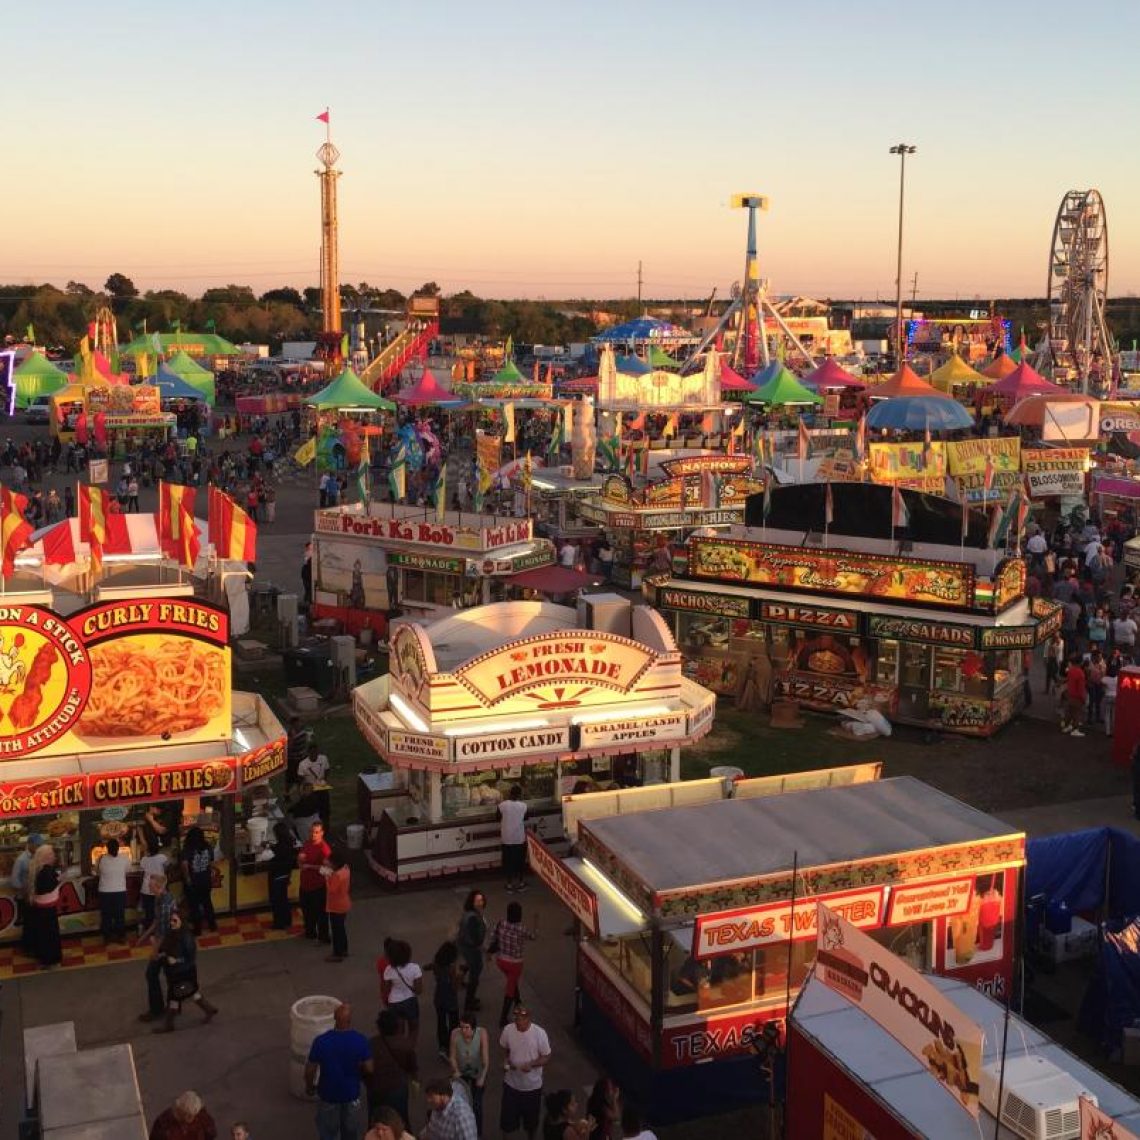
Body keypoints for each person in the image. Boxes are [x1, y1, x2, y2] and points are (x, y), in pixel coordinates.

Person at [305, 1003, 373, 1140]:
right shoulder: (360, 1040)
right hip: (351, 1094)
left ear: (334, 1019)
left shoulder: (321, 1041)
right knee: (350, 1132)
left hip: (328, 1094)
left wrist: (310, 1086)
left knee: (328, 1133)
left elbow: (310, 1069)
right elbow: (370, 1069)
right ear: (350, 1020)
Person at [155, 911, 219, 1033]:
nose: (172, 923)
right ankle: (209, 1009)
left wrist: (177, 960)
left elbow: (191, 957)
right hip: (176, 972)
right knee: (191, 992)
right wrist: (162, 954)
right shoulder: (172, 934)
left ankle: (169, 1025)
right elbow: (166, 948)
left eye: (175, 920)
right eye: (171, 920)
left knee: (174, 997)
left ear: (181, 922)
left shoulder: (186, 937)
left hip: (183, 972)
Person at [499, 1006, 551, 1140]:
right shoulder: (508, 1030)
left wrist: (532, 1064)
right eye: (516, 1018)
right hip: (511, 1085)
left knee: (531, 1123)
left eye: (521, 1018)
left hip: (532, 1087)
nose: (518, 1021)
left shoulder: (539, 1033)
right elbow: (505, 1049)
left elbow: (546, 1056)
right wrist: (506, 1061)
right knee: (507, 1122)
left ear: (528, 1019)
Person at [366, 1010, 418, 1128]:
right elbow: (412, 1069)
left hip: (376, 1089)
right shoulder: (405, 1044)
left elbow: (365, 1069)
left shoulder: (371, 1044)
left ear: (379, 1027)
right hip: (398, 1089)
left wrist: (369, 1084)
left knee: (376, 1122)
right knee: (400, 1120)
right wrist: (414, 1083)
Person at [138, 872, 178, 1022]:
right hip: (167, 943)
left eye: (151, 885)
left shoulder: (165, 903)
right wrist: (145, 936)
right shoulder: (160, 898)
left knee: (151, 974)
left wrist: (154, 951)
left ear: (159, 887)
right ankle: (174, 1006)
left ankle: (157, 1010)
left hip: (167, 944)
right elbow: (157, 921)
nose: (149, 886)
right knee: (170, 974)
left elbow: (164, 931)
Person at [492, 901, 537, 1027]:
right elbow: (533, 936)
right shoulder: (521, 929)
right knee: (509, 990)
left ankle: (518, 999)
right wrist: (536, 925)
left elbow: (492, 937)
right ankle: (503, 1018)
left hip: (500, 961)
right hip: (515, 964)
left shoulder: (500, 923)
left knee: (512, 980)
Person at [449, 1015, 489, 1136]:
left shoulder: (482, 1034)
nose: (463, 1030)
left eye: (466, 1027)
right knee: (461, 1103)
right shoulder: (455, 1034)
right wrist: (455, 1070)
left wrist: (482, 1076)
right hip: (462, 1073)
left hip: (477, 1072)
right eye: (461, 1027)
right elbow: (452, 1056)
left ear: (473, 1028)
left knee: (477, 1104)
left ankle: (478, 1134)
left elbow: (485, 1059)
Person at [381, 939, 423, 1042]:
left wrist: (385, 1002)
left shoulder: (388, 970)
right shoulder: (415, 968)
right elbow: (419, 990)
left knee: (398, 1031)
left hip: (394, 1002)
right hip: (410, 1001)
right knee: (413, 1028)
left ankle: (400, 1050)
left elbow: (386, 989)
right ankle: (410, 1048)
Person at [29, 843, 62, 969]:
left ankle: (44, 959)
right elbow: (48, 887)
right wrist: (59, 880)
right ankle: (51, 960)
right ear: (47, 856)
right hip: (47, 909)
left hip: (40, 907)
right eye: (52, 854)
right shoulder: (46, 871)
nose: (54, 856)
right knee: (50, 935)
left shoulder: (36, 868)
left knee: (42, 935)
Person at [299, 820, 332, 943]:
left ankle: (324, 937)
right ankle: (310, 932)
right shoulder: (307, 843)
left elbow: (328, 870)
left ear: (322, 833)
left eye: (316, 832)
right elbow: (302, 855)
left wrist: (310, 866)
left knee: (321, 914)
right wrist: (300, 861)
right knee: (307, 911)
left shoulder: (324, 849)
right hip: (305, 886)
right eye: (312, 832)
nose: (313, 834)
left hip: (318, 887)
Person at [429, 939, 462, 1059]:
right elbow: (455, 987)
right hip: (450, 1000)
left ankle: (442, 1046)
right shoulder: (452, 969)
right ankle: (451, 1047)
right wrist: (459, 976)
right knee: (454, 1024)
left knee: (441, 1022)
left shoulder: (437, 965)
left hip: (439, 997)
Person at [181, 826, 217, 935]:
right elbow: (211, 862)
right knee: (207, 903)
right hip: (205, 880)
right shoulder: (207, 847)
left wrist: (187, 878)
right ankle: (212, 925)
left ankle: (197, 929)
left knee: (194, 905)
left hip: (194, 881)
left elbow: (184, 864)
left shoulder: (188, 848)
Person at [456, 889, 487, 1013]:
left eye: (481, 900)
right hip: (471, 950)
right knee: (475, 975)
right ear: (472, 902)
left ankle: (460, 981)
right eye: (477, 901)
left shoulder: (469, 913)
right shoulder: (473, 917)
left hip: (465, 947)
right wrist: (482, 946)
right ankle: (469, 1002)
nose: (480, 903)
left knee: (469, 967)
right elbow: (476, 938)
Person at [11, 832, 41, 955]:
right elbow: (14, 880)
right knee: (29, 924)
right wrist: (24, 890)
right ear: (29, 844)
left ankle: (33, 946)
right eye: (36, 845)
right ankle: (27, 949)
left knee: (33, 923)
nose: (38, 847)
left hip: (34, 896)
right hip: (25, 897)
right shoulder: (21, 860)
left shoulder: (37, 857)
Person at [97, 836, 131, 943]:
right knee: (119, 915)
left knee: (106, 915)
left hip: (104, 891)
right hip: (120, 890)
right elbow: (127, 871)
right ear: (118, 848)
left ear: (107, 848)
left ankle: (107, 937)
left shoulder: (101, 858)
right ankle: (121, 937)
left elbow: (97, 872)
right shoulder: (125, 858)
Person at [148, 1090, 218, 1140]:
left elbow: (212, 1133)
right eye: (183, 1113)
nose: (188, 1118)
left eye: (191, 1116)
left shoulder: (203, 1119)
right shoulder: (163, 1124)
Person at [267, 820, 297, 930]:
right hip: (285, 875)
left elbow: (274, 856)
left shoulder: (281, 847)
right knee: (283, 899)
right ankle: (287, 920)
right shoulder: (289, 843)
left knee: (276, 901)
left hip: (277, 876)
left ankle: (279, 923)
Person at [498, 786, 528, 893]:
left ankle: (509, 884)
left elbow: (497, 817)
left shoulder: (502, 805)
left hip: (506, 838)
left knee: (508, 862)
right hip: (519, 838)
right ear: (520, 795)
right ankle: (521, 883)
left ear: (510, 793)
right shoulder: (523, 806)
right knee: (520, 862)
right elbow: (526, 817)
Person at [325, 847, 352, 962]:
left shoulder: (337, 875)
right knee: (341, 929)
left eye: (330, 862)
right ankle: (344, 949)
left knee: (336, 931)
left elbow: (331, 889)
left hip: (336, 905)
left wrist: (326, 877)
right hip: (344, 903)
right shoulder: (346, 869)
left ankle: (337, 953)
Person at [299, 740, 332, 826]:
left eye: (316, 752)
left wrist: (324, 779)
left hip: (322, 788)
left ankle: (326, 828)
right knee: (314, 811)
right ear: (308, 753)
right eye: (312, 753)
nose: (314, 755)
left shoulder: (323, 758)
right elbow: (301, 779)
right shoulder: (303, 764)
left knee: (325, 810)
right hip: (311, 790)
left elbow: (327, 769)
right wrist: (304, 790)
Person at [1062, 654, 1088, 737]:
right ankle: (1075, 729)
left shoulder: (1070, 671)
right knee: (1077, 713)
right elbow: (1081, 688)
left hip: (1069, 694)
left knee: (1069, 712)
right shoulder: (1080, 673)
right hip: (1077, 697)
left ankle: (1067, 726)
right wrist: (1083, 698)